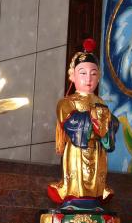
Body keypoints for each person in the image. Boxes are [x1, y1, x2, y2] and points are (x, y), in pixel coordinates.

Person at [47, 39, 119, 204]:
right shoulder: (67, 102)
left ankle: (96, 197)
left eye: (93, 74)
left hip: (98, 150)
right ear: (72, 75)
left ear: (99, 76)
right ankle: (73, 200)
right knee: (76, 182)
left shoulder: (101, 102)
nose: (88, 79)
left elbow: (111, 125)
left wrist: (108, 123)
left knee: (97, 181)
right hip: (77, 150)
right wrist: (94, 118)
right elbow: (71, 123)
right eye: (83, 73)